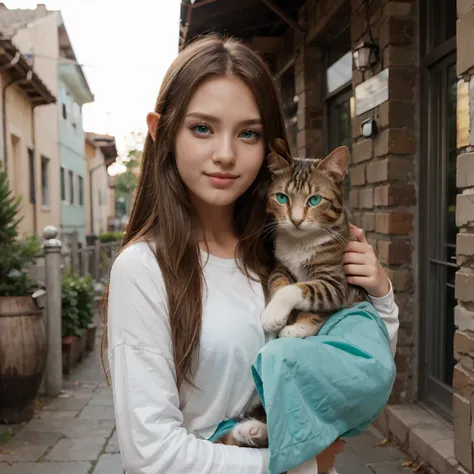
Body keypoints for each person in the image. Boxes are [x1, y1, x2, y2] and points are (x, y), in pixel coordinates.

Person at [103, 35, 399, 474]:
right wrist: (300, 463)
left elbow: (354, 365)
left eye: (248, 133)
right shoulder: (145, 269)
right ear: (161, 130)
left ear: (270, 147)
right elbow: (152, 456)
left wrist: (380, 296)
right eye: (202, 128)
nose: (225, 154)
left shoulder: (274, 248)